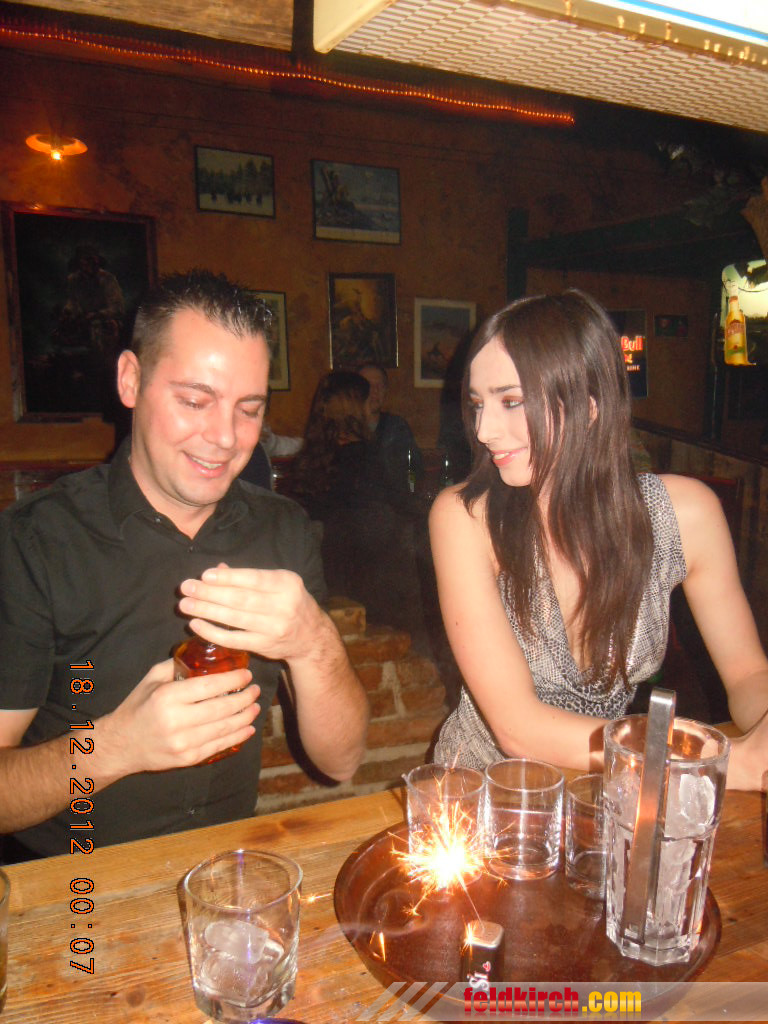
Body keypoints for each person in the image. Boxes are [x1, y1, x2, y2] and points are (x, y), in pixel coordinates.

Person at [0, 270, 368, 860]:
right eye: (195, 401)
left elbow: (341, 762)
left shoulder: (284, 529)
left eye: (249, 409)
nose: (225, 437)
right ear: (130, 379)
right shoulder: (34, 541)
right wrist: (116, 747)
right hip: (74, 884)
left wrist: (314, 641)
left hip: (229, 868)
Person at [431, 289, 768, 791]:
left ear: (589, 405)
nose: (483, 430)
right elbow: (516, 728)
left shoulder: (686, 515)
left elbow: (746, 675)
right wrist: (718, 764)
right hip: (480, 793)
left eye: (511, 401)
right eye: (478, 404)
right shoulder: (465, 518)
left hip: (604, 789)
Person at [291, 371, 429, 647]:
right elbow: (386, 522)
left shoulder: (313, 459)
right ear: (356, 408)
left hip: (329, 585)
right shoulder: (366, 459)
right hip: (373, 588)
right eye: (367, 400)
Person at [358, 363, 423, 496]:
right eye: (368, 385)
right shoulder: (346, 430)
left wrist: (411, 495)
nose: (375, 391)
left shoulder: (397, 426)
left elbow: (414, 470)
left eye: (380, 386)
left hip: (394, 504)